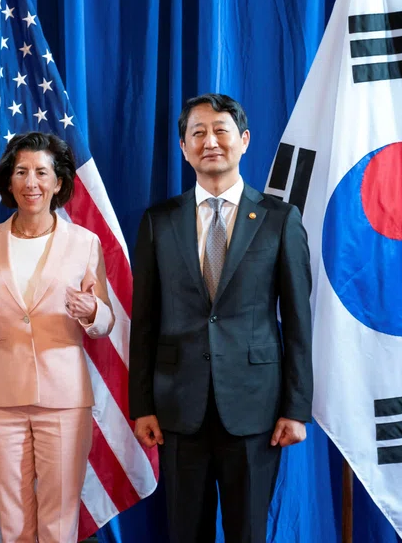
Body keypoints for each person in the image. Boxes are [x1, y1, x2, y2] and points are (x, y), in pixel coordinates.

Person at [129, 93, 313, 542]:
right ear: (184, 147)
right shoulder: (159, 221)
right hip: (178, 408)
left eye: (221, 131)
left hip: (255, 411)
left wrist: (296, 407)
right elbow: (145, 320)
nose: (210, 141)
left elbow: (298, 322)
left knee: (247, 532)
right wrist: (142, 405)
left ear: (244, 140)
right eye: (198, 133)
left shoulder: (279, 219)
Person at [0, 132, 114, 543]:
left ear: (58, 182)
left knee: (60, 517)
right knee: (12, 518)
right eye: (21, 171)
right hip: (0, 398)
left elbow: (107, 319)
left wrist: (92, 311)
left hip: (64, 397)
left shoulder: (85, 243)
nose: (31, 182)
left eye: (42, 172)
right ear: (9, 180)